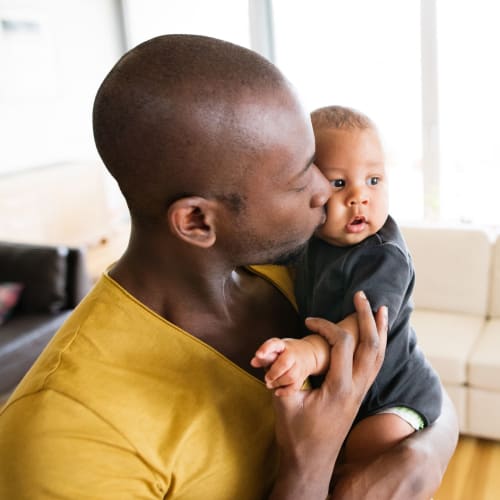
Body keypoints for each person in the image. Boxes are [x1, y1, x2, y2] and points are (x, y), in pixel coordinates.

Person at [0, 35, 457, 499]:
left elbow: (415, 378)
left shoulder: (290, 265)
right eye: (301, 179)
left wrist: (421, 455)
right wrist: (309, 466)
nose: (326, 193)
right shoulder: (65, 437)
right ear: (198, 220)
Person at [251, 105, 443, 465]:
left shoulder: (383, 256)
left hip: (394, 394)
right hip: (345, 390)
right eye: (339, 183)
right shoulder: (313, 237)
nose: (360, 197)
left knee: (365, 447)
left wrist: (309, 352)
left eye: (373, 180)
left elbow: (363, 329)